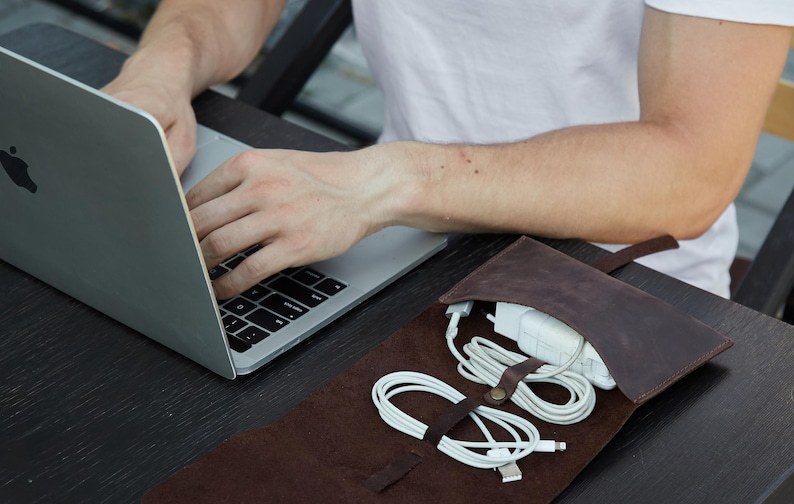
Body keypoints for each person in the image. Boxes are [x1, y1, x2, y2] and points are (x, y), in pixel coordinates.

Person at [103, 1, 794, 300]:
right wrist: (164, 65)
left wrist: (388, 181)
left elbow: (691, 168)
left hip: (621, 284)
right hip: (401, 238)